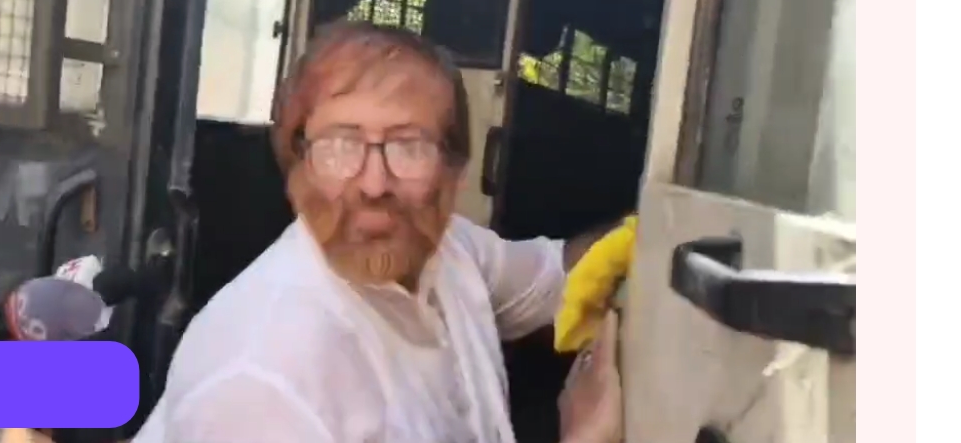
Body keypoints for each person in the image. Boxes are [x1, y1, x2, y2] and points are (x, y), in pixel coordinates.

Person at [131, 22, 622, 443]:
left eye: (409, 146)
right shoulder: (262, 379)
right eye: (340, 146)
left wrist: (646, 236)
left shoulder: (450, 250)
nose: (374, 184)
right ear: (297, 168)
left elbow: (561, 275)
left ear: (454, 171)